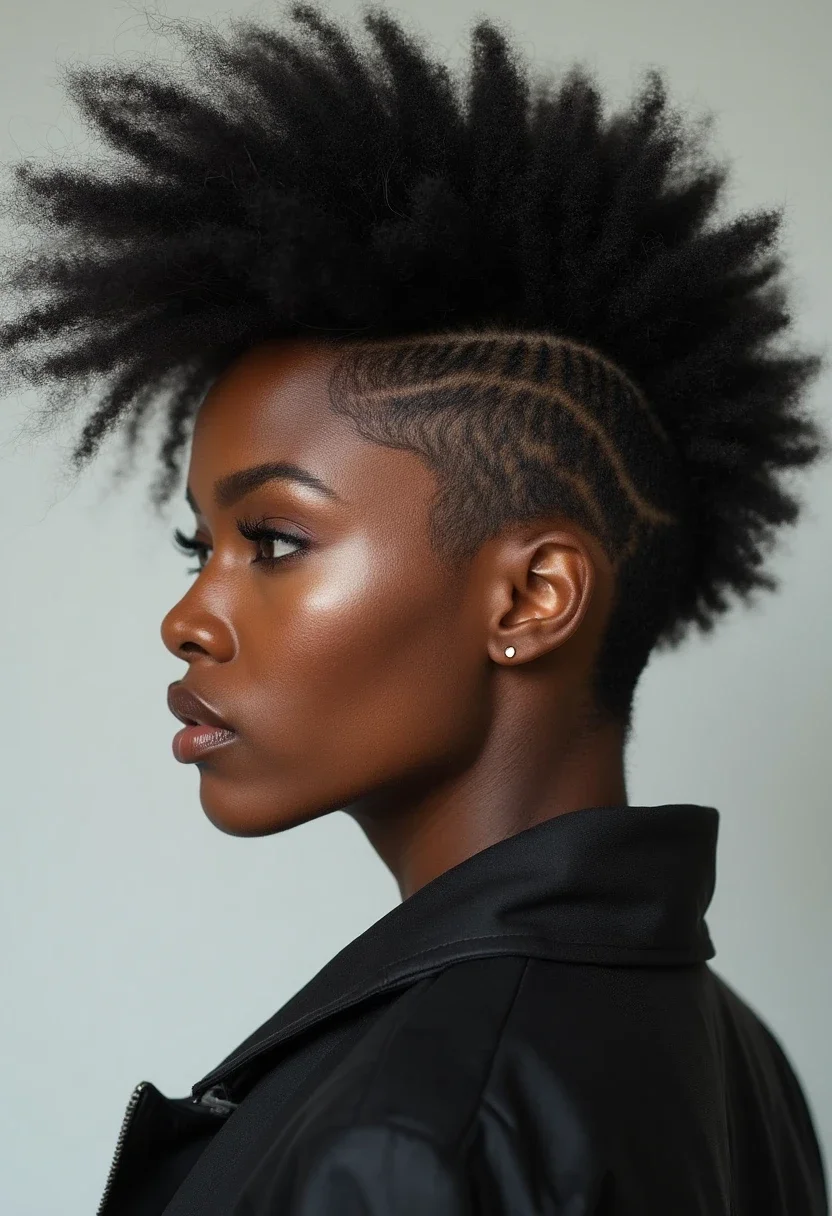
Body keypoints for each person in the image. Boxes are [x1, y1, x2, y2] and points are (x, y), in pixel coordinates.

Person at [1, 5, 827, 1214]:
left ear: (531, 597)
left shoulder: (409, 1143)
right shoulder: (735, 1055)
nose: (188, 618)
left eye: (272, 540)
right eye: (201, 543)